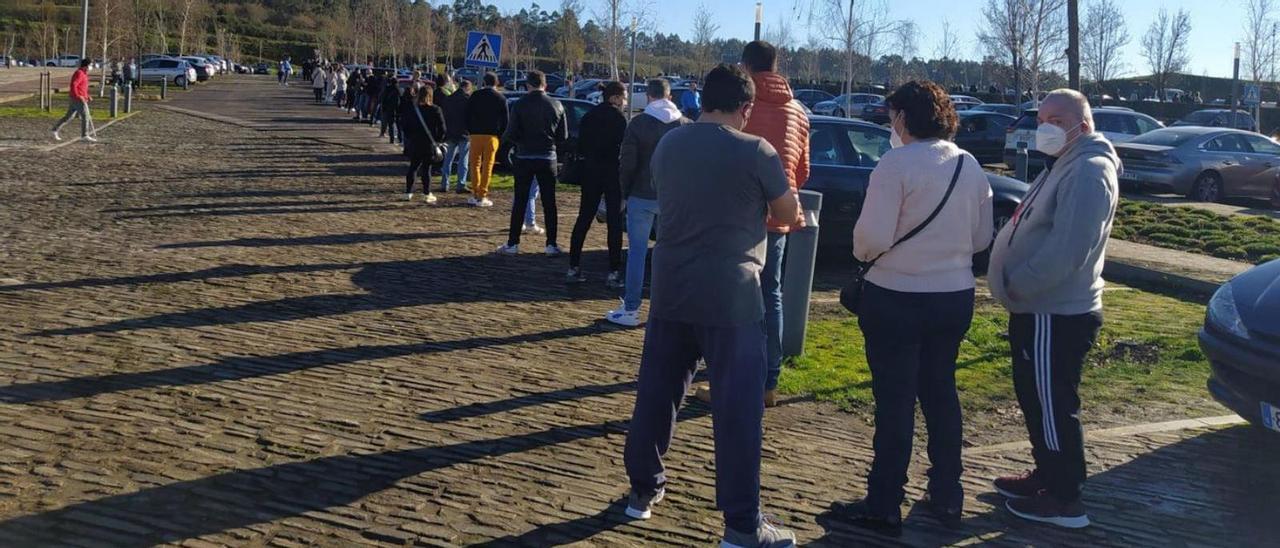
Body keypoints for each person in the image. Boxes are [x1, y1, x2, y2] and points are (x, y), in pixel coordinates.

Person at [622, 63, 801, 548]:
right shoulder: (755, 150)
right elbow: (788, 213)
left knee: (656, 395)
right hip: (733, 295)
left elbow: (667, 195)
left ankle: (642, 491)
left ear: (702, 100)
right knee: (738, 410)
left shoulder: (670, 144)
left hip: (673, 287)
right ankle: (742, 524)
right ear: (745, 108)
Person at [835, 80, 992, 537]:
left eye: (891, 116)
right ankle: (947, 493)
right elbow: (982, 238)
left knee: (895, 401)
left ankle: (884, 500)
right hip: (954, 295)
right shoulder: (970, 164)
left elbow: (870, 241)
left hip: (896, 295)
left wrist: (867, 252)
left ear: (902, 117)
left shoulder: (895, 164)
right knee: (941, 392)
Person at [987, 89, 1119, 530]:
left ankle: (1065, 499)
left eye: (1055, 119)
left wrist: (1018, 286)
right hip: (1040, 309)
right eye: (1041, 117)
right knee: (1038, 400)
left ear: (1082, 122)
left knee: (1052, 404)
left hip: (1055, 312)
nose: (1044, 126)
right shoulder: (1064, 163)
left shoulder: (1088, 171)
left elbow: (1068, 251)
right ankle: (1047, 475)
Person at [696, 40, 810, 408]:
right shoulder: (799, 112)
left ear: (746, 66)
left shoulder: (741, 104)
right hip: (778, 216)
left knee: (729, 298)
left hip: (736, 214)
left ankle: (724, 378)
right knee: (770, 297)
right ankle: (767, 382)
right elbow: (803, 171)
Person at [606, 78, 690, 327]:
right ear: (670, 96)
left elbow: (628, 163)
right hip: (672, 199)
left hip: (641, 196)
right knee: (670, 253)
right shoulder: (685, 125)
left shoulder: (638, 124)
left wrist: (624, 192)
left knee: (637, 253)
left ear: (649, 97)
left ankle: (631, 308)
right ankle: (669, 307)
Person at [496, 70, 567, 256]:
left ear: (527, 85)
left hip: (524, 156)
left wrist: (519, 142)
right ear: (545, 85)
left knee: (520, 200)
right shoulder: (557, 104)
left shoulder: (519, 105)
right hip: (547, 157)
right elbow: (563, 136)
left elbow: (510, 133)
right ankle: (551, 244)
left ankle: (513, 243)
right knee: (549, 202)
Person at [567, 80, 628, 286]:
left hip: (590, 172)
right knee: (614, 223)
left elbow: (580, 145)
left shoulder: (589, 116)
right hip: (611, 173)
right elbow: (623, 149)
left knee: (584, 218)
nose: (626, 102)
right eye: (624, 97)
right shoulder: (619, 119)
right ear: (615, 98)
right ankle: (613, 271)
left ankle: (573, 266)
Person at [465, 72, 507, 208]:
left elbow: (467, 113)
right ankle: (482, 194)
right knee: (487, 165)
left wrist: (470, 130)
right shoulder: (500, 98)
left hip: (475, 134)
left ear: (483, 82)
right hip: (492, 136)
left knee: (474, 164)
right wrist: (499, 134)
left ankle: (475, 192)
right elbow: (506, 120)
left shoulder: (475, 95)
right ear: (497, 83)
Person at [401, 82, 446, 204]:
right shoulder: (436, 110)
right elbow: (442, 129)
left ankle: (408, 192)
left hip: (415, 142)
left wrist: (410, 138)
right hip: (429, 144)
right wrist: (437, 140)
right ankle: (426, 193)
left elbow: (405, 127)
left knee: (413, 167)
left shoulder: (413, 110)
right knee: (426, 169)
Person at [52, 59, 96, 143]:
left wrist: (87, 96)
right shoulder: (79, 73)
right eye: (90, 65)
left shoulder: (84, 74)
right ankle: (85, 135)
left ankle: (54, 130)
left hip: (79, 98)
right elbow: (74, 85)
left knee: (69, 117)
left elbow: (82, 88)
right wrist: (78, 96)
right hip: (77, 99)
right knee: (85, 116)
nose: (91, 67)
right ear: (86, 65)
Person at [440, 79, 472, 193]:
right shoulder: (468, 100)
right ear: (467, 88)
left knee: (448, 159)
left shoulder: (448, 99)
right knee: (463, 160)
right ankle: (461, 184)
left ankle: (444, 183)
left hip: (451, 133)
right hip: (464, 133)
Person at [380, 80, 403, 144]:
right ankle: (400, 138)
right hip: (397, 110)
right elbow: (401, 100)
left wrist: (384, 108)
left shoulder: (387, 89)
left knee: (391, 124)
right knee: (398, 126)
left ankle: (392, 139)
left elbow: (383, 98)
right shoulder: (399, 90)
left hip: (389, 109)